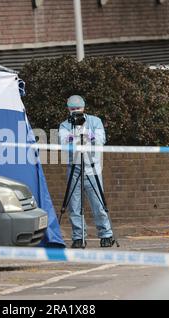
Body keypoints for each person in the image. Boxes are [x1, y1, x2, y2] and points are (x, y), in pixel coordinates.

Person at [58, 95, 115, 249]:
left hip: (92, 168)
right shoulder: (64, 125)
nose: (76, 111)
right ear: (68, 109)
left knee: (98, 204)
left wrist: (86, 135)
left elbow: (100, 140)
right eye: (72, 109)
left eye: (78, 108)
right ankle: (78, 237)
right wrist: (74, 135)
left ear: (84, 108)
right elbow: (63, 144)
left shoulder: (94, 121)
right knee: (74, 206)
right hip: (74, 168)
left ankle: (106, 235)